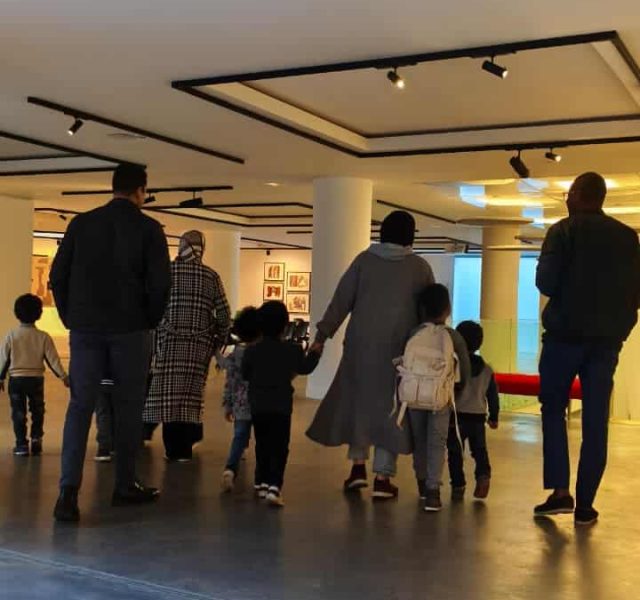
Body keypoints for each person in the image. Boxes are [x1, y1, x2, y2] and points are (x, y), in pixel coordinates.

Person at [50, 163, 171, 523]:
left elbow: (58, 275)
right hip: (131, 330)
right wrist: (148, 320)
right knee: (129, 406)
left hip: (86, 329)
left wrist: (71, 317)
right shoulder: (149, 229)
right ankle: (124, 484)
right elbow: (160, 284)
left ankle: (67, 494)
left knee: (79, 407)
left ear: (113, 187)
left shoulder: (81, 224)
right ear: (141, 191)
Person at [534, 172, 640, 526]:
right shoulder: (627, 238)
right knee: (596, 420)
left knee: (553, 410)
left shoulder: (563, 231)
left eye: (569, 193)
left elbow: (546, 282)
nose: (566, 198)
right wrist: (620, 331)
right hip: (606, 343)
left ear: (578, 194)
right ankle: (586, 505)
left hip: (563, 337)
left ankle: (560, 492)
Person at [307, 210, 434, 499]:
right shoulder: (419, 268)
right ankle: (382, 477)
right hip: (400, 353)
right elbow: (429, 310)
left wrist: (322, 336)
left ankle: (357, 469)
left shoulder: (363, 261)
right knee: (392, 410)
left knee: (360, 405)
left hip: (360, 347)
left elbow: (341, 300)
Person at [143, 230, 231, 462]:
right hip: (198, 348)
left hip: (167, 344)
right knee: (191, 396)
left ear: (181, 246)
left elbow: (150, 306)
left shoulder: (166, 272)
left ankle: (173, 449)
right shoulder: (211, 276)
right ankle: (185, 448)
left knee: (168, 395)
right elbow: (224, 314)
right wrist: (218, 340)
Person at [242, 301, 322, 507]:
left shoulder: (252, 351)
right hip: (281, 406)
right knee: (279, 446)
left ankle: (260, 482)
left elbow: (245, 374)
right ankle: (274, 486)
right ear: (285, 326)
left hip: (258, 405)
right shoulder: (292, 350)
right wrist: (315, 353)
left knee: (262, 443)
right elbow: (305, 368)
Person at [406, 284, 470, 512]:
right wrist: (457, 392)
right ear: (447, 309)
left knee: (419, 441)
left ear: (422, 309)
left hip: (414, 395)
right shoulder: (452, 336)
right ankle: (433, 491)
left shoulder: (414, 333)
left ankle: (422, 483)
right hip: (441, 397)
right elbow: (464, 369)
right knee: (437, 442)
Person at [0, 294, 69, 456]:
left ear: (16, 313)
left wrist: (0, 377)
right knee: (37, 410)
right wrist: (63, 376)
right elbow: (53, 360)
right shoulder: (43, 337)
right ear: (39, 314)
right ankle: (36, 439)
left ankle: (21, 444)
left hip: (16, 380)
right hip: (36, 380)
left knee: (18, 412)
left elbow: (3, 359)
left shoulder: (11, 335)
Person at [447, 320, 499, 501]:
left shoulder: (454, 366)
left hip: (456, 417)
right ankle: (483, 476)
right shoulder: (487, 370)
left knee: (455, 452)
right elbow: (492, 395)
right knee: (479, 450)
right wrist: (494, 416)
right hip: (478, 416)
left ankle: (458, 484)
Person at [216, 306, 261, 492]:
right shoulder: (261, 353)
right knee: (263, 439)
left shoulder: (236, 353)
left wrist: (228, 405)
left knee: (239, 435)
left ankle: (230, 469)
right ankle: (262, 479)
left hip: (241, 404)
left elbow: (230, 380)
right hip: (260, 403)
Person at [94, 376, 115, 462]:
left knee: (103, 414)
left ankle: (104, 448)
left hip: (100, 382)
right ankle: (114, 444)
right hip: (119, 381)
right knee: (116, 412)